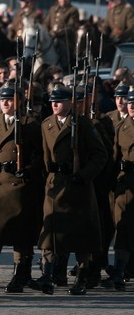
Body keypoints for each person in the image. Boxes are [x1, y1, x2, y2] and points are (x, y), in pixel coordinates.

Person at [28, 86, 107, 295]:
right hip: (56, 186)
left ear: (70, 103)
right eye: (53, 101)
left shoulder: (82, 124)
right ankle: (47, 275)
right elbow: (46, 156)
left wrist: (83, 175)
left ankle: (82, 277)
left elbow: (100, 154)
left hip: (77, 187)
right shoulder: (47, 124)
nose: (55, 105)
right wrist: (50, 174)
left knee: (81, 237)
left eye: (60, 101)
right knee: (50, 234)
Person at [0, 84, 43, 293]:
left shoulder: (30, 124)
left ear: (19, 101)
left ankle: (20, 272)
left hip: (19, 186)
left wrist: (27, 169)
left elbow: (40, 155)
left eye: (10, 99)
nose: (6, 103)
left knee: (21, 234)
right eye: (3, 99)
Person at [107, 89, 134, 290]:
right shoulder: (121, 127)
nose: (131, 106)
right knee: (123, 228)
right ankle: (119, 270)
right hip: (126, 185)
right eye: (130, 103)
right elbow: (114, 157)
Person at [44, 0, 80, 67]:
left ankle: (64, 67)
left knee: (62, 48)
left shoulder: (73, 10)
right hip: (50, 36)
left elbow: (72, 26)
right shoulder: (53, 9)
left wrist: (58, 33)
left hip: (64, 38)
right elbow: (46, 23)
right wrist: (47, 33)